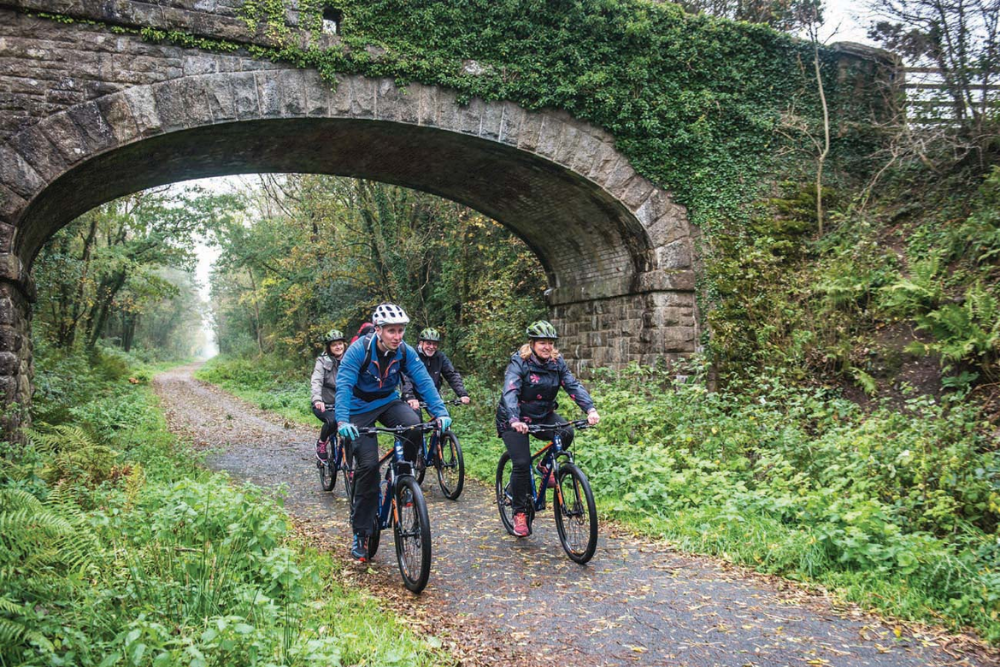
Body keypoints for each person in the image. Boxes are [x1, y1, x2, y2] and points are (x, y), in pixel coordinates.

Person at [335, 303, 452, 562]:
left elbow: (423, 380)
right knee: (367, 467)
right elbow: (343, 385)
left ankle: (403, 474)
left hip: (387, 401)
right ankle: (362, 532)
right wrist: (343, 420)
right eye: (391, 331)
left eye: (400, 331)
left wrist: (440, 412)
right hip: (357, 408)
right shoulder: (358, 351)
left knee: (414, 426)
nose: (397, 336)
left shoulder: (405, 352)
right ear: (378, 330)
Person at [495, 320, 600, 537]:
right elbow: (510, 392)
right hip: (513, 418)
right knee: (522, 463)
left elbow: (572, 385)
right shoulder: (519, 363)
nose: (547, 347)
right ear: (532, 343)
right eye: (542, 342)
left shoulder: (556, 363)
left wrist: (589, 409)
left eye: (550, 343)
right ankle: (519, 512)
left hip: (542, 414)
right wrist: (515, 419)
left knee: (566, 432)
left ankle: (544, 466)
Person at [401, 327, 471, 414]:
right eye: (428, 343)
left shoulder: (440, 357)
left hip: (431, 394)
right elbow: (405, 378)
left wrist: (462, 394)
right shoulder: (412, 355)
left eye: (435, 344)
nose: (431, 347)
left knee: (443, 421)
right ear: (421, 343)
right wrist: (409, 397)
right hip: (413, 396)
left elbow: (452, 375)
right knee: (415, 423)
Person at [311, 328, 346, 463]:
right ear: (329, 347)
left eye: (340, 343)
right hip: (326, 403)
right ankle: (322, 442)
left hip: (344, 403)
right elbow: (316, 380)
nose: (338, 347)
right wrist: (317, 400)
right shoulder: (322, 361)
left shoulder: (350, 359)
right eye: (334, 344)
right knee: (333, 421)